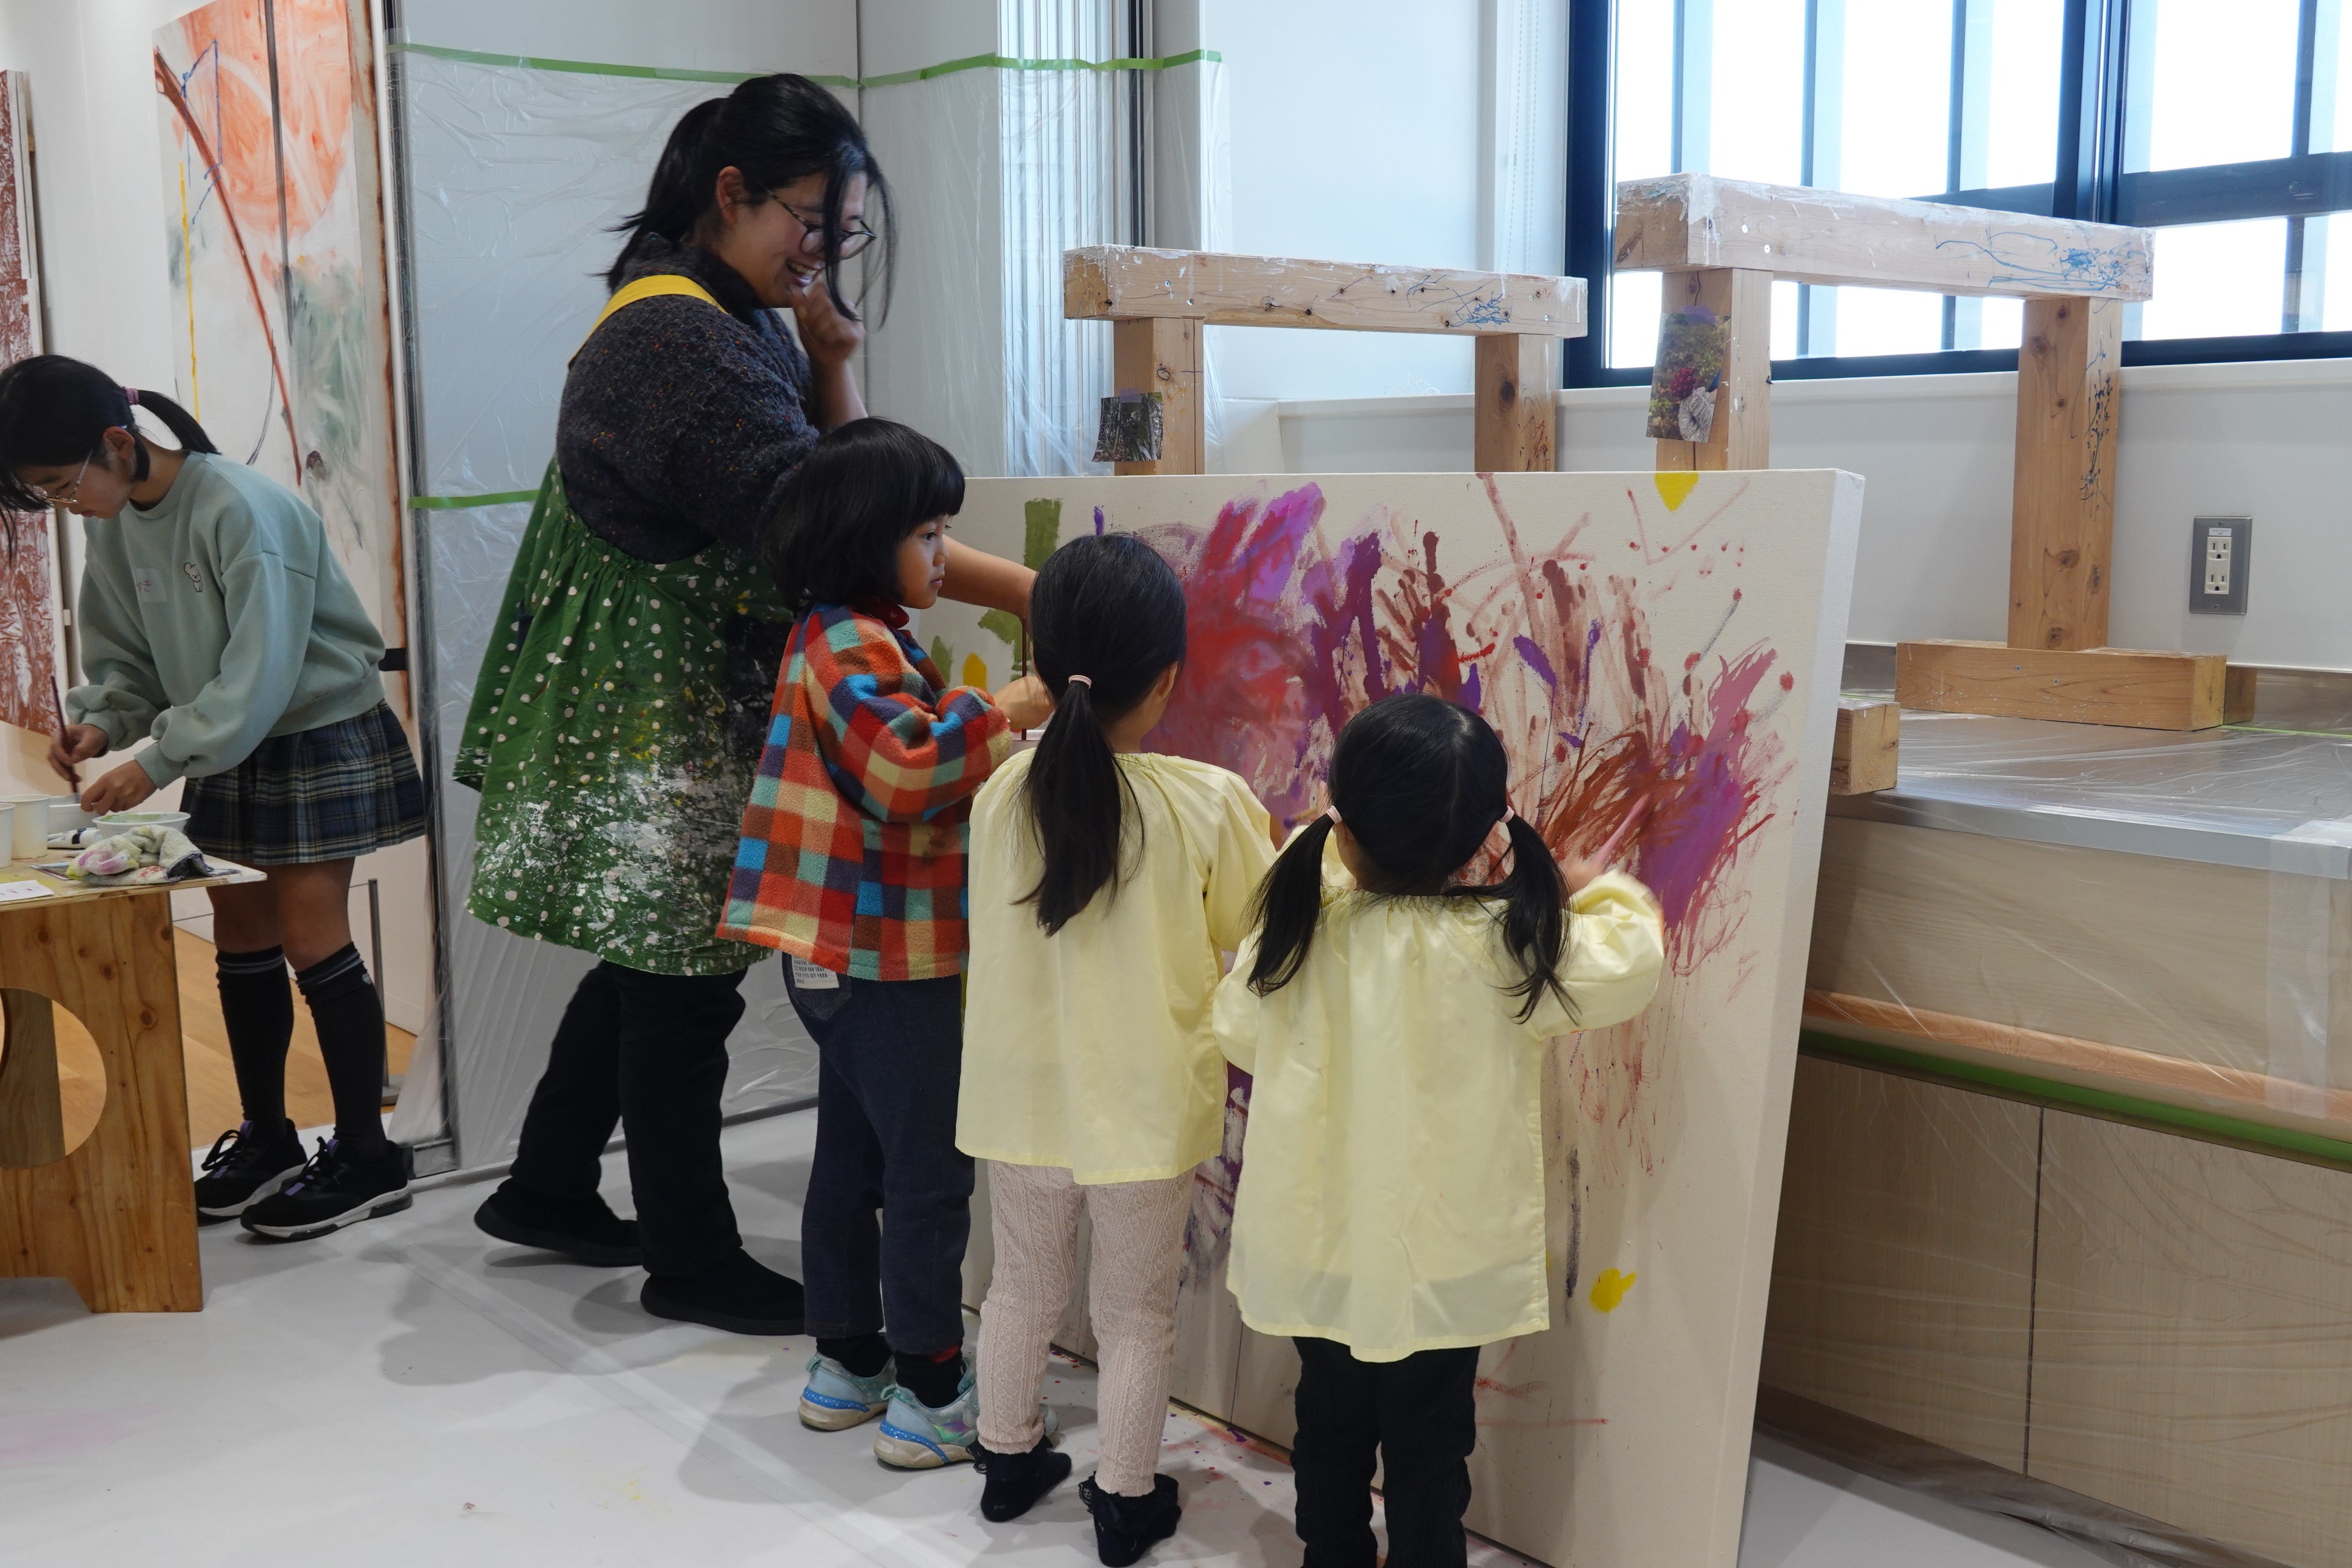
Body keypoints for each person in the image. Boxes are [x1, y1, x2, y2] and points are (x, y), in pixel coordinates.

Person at [457, 76, 1032, 1332]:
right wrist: (1041, 597)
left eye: (841, 232)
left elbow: (852, 487)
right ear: (733, 194)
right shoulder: (683, 344)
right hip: (660, 706)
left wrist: (832, 363)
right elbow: (853, 531)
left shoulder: (720, 309)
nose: (823, 255)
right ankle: (691, 1262)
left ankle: (549, 1184)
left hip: (654, 689)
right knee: (682, 987)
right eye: (812, 223)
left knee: (652, 956)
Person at [1212, 695, 1665, 1568]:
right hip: (1447, 1262)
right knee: (1430, 1446)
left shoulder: (1302, 930)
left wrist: (1331, 871)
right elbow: (1631, 963)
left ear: (1344, 831)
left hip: (1319, 1252)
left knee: (1327, 1427)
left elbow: (1238, 1033)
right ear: (1489, 836)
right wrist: (1594, 888)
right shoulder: (1508, 944)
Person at [0, 355, 425, 1241]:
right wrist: (101, 723)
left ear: (118, 443)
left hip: (314, 729)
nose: (63, 505)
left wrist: (156, 764)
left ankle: (368, 1154)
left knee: (311, 936)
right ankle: (270, 1138)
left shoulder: (240, 506)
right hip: (233, 736)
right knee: (241, 938)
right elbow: (129, 658)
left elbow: (262, 669)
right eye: (43, 494)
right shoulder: (116, 521)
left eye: (61, 484)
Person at [719, 418, 1051, 1468]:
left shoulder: (833, 631)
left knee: (852, 1160)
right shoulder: (854, 644)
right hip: (884, 953)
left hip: (835, 951)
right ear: (868, 539)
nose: (946, 556)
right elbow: (906, 772)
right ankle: (931, 1389)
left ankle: (847, 1362)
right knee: (926, 1175)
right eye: (930, 535)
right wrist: (1007, 708)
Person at [957, 535, 1277, 1562]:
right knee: (1135, 1316)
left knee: (1020, 1287)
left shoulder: (1000, 794)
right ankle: (1126, 1501)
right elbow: (1256, 931)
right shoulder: (1207, 802)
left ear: (1041, 669)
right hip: (1145, 1106)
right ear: (1168, 677)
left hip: (1019, 1100)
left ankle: (1007, 1461)